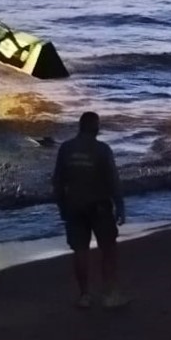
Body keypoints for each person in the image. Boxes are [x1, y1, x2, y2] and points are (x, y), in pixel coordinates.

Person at [53, 110, 127, 308]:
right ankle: (109, 294)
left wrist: (61, 206)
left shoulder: (66, 149)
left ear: (80, 126)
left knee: (80, 251)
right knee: (108, 249)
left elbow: (58, 181)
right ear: (95, 127)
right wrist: (120, 205)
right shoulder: (102, 149)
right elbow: (113, 179)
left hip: (74, 206)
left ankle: (84, 295)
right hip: (99, 206)